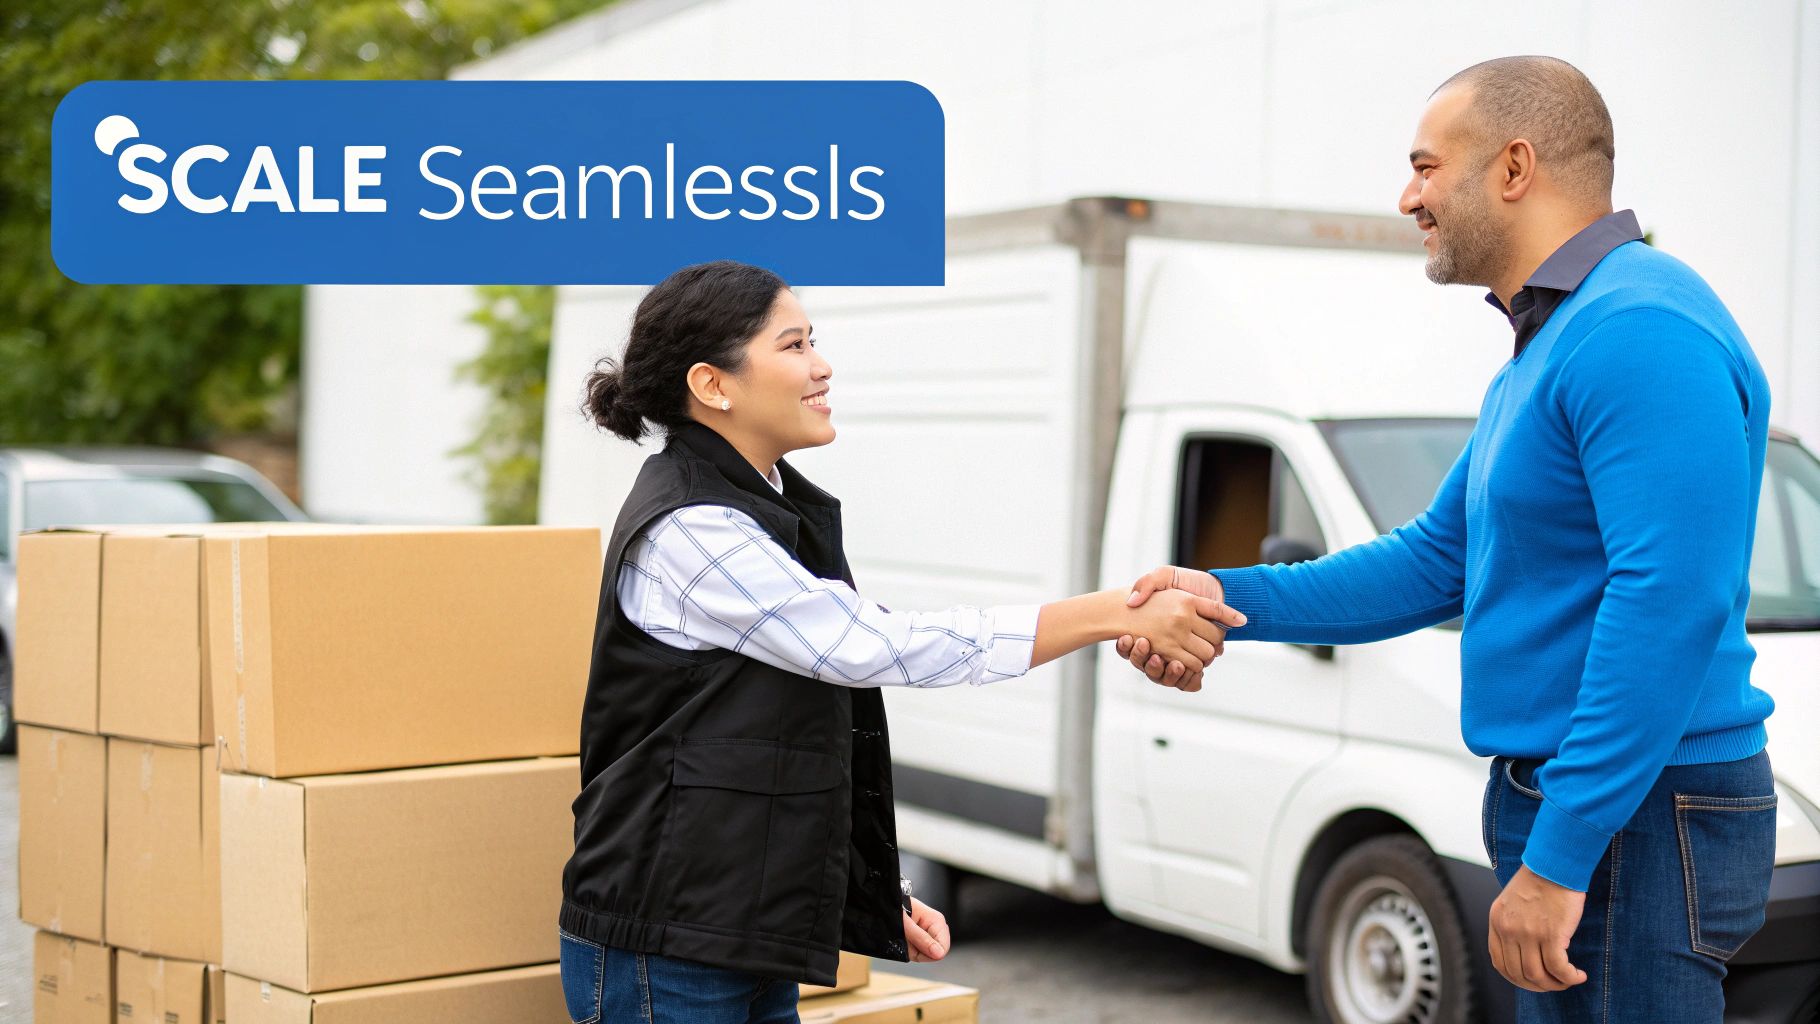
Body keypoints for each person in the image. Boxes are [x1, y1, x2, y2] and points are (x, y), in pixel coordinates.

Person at [1118, 56, 1776, 1022]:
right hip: (1589, 806)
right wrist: (1214, 597)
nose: (1407, 197)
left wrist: (1559, 857)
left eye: (1426, 167)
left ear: (1514, 167)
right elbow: (1438, 558)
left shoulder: (1639, 328)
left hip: (1641, 813)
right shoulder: (1549, 342)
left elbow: (1669, 600)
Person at [557, 259, 1244, 1024]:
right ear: (714, 385)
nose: (821, 366)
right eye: (792, 347)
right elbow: (876, 647)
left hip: (731, 930)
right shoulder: (694, 530)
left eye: (813, 341)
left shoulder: (764, 510)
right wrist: (1110, 611)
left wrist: (875, 889)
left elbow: (781, 747)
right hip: (670, 946)